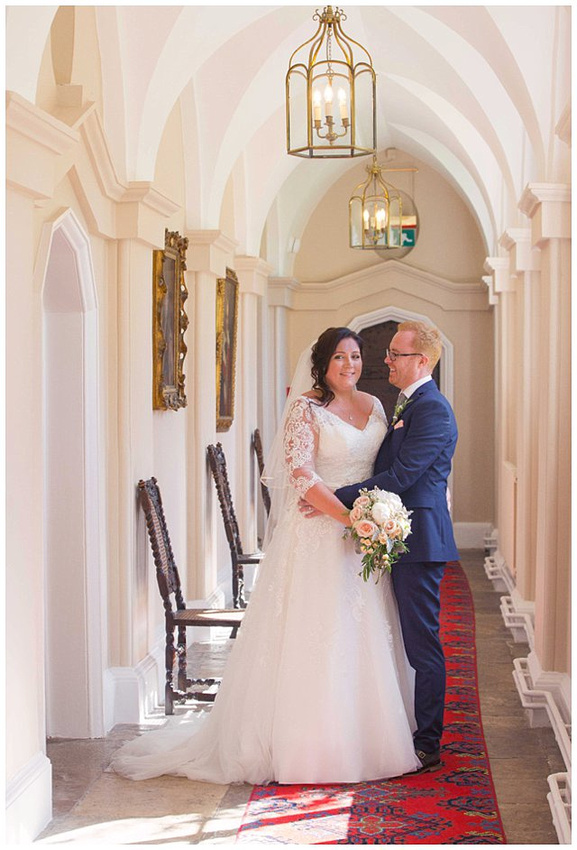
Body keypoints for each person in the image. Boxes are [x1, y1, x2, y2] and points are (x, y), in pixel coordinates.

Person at [111, 327, 421, 784]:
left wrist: (375, 519)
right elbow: (301, 477)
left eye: (355, 357)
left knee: (365, 632)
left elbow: (383, 469)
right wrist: (351, 519)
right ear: (321, 363)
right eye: (339, 358)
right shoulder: (306, 409)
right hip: (319, 534)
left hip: (361, 541)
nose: (349, 365)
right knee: (317, 634)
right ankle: (308, 745)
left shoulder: (375, 406)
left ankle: (368, 739)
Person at [302, 320, 459, 773]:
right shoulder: (407, 403)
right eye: (389, 353)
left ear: (421, 361)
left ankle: (427, 742)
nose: (385, 360)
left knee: (421, 643)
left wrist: (336, 497)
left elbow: (401, 477)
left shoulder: (433, 410)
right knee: (402, 636)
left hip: (420, 541)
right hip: (398, 536)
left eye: (395, 354)